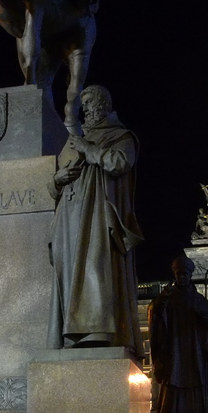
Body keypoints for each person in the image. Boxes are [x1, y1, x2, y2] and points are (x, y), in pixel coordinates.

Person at [48, 85, 142, 354]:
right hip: (68, 218)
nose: (85, 108)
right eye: (84, 103)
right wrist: (56, 180)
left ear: (104, 104)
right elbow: (54, 179)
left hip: (96, 216)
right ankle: (69, 333)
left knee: (94, 266)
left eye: (90, 102)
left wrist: (90, 150)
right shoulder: (75, 138)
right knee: (67, 270)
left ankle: (96, 329)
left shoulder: (119, 135)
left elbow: (121, 162)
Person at [148, 257, 208, 413]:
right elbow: (155, 315)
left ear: (190, 275)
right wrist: (159, 304)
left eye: (185, 274)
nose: (182, 277)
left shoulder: (198, 299)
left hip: (194, 351)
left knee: (194, 387)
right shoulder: (167, 298)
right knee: (173, 384)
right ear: (175, 275)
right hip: (175, 351)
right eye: (179, 274)